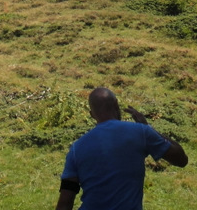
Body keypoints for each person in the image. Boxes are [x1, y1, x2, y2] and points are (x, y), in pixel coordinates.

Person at [55, 87, 188, 210]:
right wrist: (149, 128)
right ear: (116, 105)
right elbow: (181, 159)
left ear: (92, 115)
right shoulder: (140, 132)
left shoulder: (76, 148)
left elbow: (65, 201)